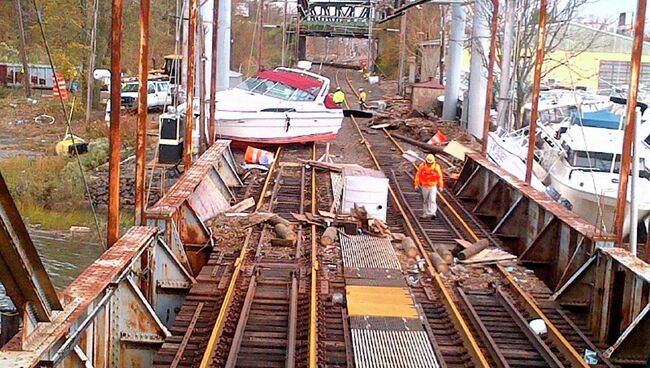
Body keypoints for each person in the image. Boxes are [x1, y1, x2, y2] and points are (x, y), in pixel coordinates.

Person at [414, 154, 444, 219]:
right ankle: (425, 213)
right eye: (428, 162)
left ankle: (433, 213)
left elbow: (439, 177)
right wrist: (416, 184)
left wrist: (440, 186)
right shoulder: (422, 166)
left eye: (430, 163)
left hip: (433, 186)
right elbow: (418, 175)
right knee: (425, 200)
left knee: (432, 199)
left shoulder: (436, 167)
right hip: (424, 186)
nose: (429, 164)